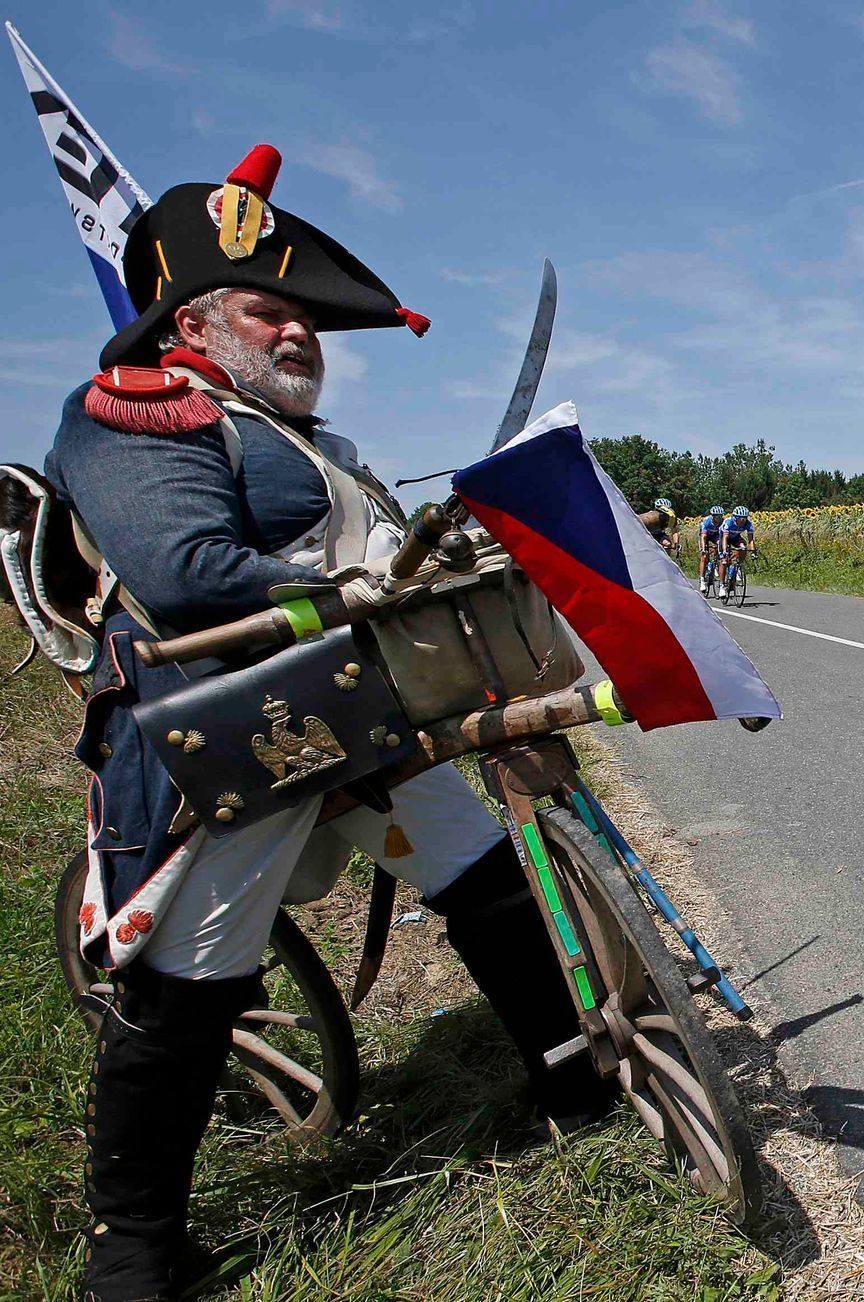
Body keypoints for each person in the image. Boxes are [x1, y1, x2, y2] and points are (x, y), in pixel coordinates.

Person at [40, 145, 611, 1300]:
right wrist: (342, 595)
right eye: (271, 311)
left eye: (306, 317)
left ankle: (570, 1084)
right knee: (191, 987)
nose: (299, 332)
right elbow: (189, 571)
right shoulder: (137, 410)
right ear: (195, 325)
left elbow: (381, 560)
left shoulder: (314, 444)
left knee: (488, 880)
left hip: (367, 705)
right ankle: (133, 1253)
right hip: (236, 729)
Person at [718, 505, 756, 596]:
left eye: (744, 518)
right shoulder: (728, 522)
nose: (743, 521)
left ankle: (738, 565)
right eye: (740, 518)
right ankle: (722, 585)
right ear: (735, 517)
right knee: (723, 561)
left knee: (743, 547)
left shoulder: (748, 524)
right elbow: (725, 538)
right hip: (724, 538)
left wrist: (753, 551)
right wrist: (724, 550)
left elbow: (751, 540)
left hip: (735, 537)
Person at [697, 505, 725, 593]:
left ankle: (717, 563)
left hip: (716, 536)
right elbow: (703, 537)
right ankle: (702, 579)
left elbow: (723, 536)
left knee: (719, 544)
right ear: (712, 516)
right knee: (704, 556)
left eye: (720, 516)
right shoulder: (706, 521)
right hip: (706, 536)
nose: (719, 518)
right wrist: (703, 549)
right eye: (716, 516)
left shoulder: (723, 522)